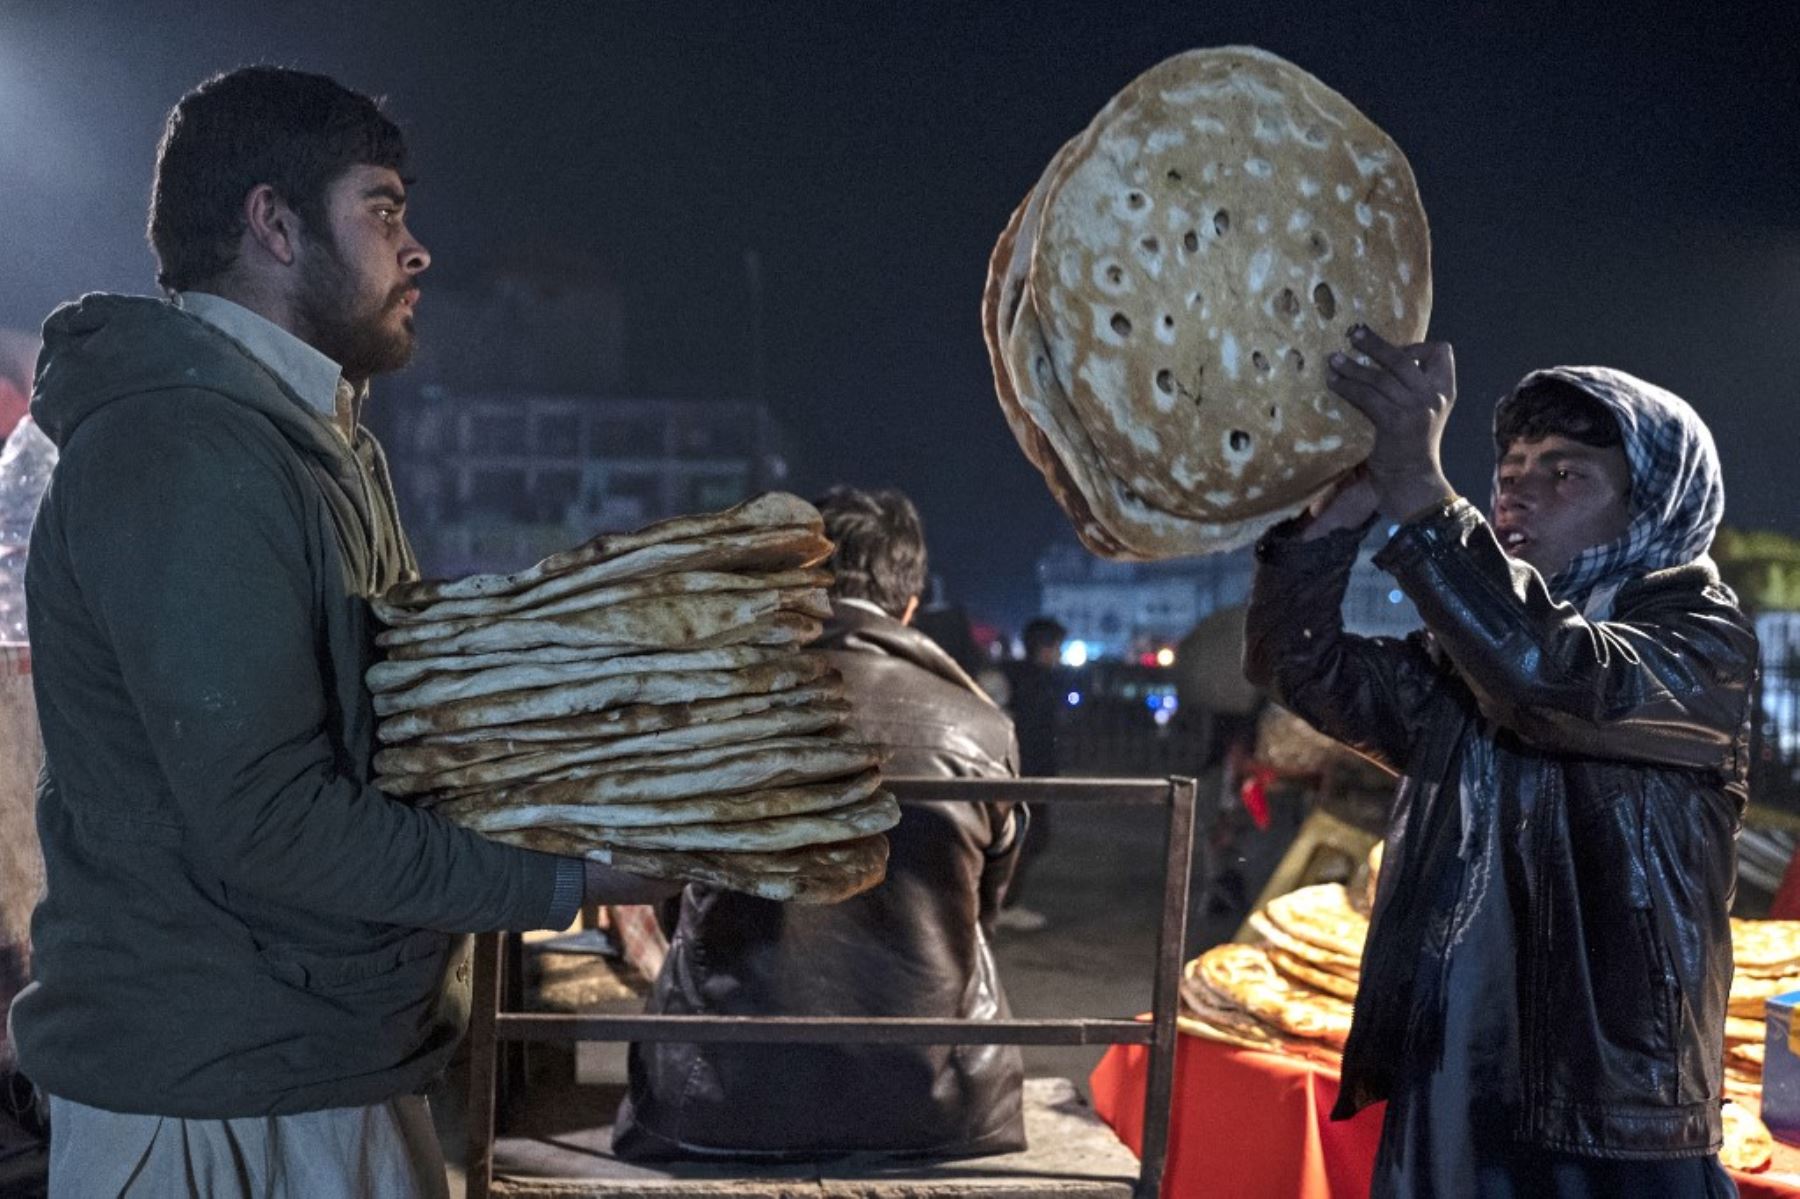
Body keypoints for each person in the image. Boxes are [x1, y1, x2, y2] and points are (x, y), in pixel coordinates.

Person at [12, 67, 673, 1197]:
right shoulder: (187, 450)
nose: (416, 251)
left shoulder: (303, 437)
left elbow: (383, 732)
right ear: (273, 222)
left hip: (304, 1059)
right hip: (211, 1103)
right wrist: (570, 874)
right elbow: (271, 819)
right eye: (382, 208)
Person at [1245, 324, 1755, 1197]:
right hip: (1450, 1091)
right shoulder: (1471, 658)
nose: (1520, 491)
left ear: (1654, 504)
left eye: (1566, 474)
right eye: (1510, 471)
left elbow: (1549, 678)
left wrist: (1419, 489)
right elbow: (1302, 663)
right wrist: (1353, 499)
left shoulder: (1699, 646)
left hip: (1611, 1124)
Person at [614, 485, 1027, 1160]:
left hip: (723, 1099)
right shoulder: (980, 727)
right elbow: (984, 911)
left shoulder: (714, 709)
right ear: (912, 605)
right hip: (935, 1104)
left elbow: (668, 898)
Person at [993, 616, 1064, 931]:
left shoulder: (1025, 676)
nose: (1059, 655)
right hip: (1025, 771)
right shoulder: (1030, 680)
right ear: (1044, 647)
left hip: (1026, 770)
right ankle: (1004, 904)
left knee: (1027, 837)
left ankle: (1003, 901)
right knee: (1026, 837)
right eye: (1056, 647)